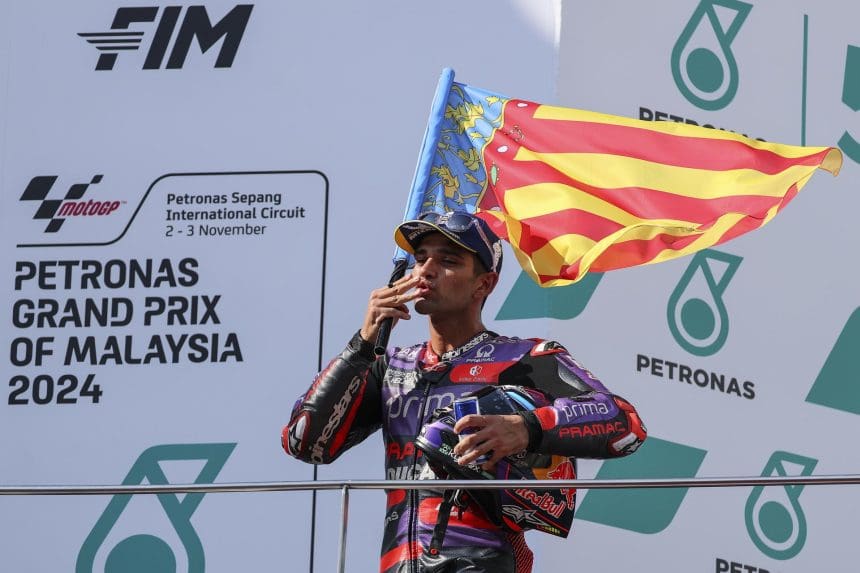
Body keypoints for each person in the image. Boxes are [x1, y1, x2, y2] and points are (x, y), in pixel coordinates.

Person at [282, 211, 646, 573]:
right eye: (421, 258)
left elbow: (625, 425)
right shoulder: (390, 367)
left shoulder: (524, 357)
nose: (425, 270)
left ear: (483, 285)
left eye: (448, 260)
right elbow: (305, 442)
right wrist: (362, 346)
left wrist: (524, 428)